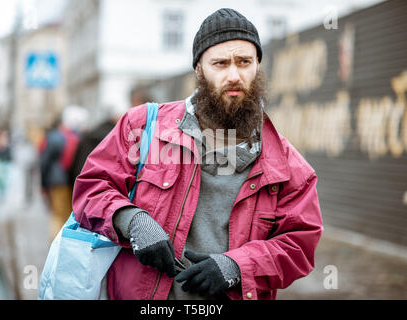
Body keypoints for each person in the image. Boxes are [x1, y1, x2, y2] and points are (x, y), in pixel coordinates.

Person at [72, 8, 323, 300]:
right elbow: (91, 187)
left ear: (257, 66)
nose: (234, 75)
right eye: (220, 63)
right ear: (199, 69)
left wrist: (236, 267)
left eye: (244, 62)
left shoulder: (289, 167)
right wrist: (132, 221)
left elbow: (299, 245)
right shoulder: (142, 126)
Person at [40, 107, 86, 238]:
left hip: (56, 181)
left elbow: (44, 162)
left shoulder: (53, 137)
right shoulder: (79, 137)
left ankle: (56, 244)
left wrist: (43, 185)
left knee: (57, 216)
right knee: (69, 215)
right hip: (74, 182)